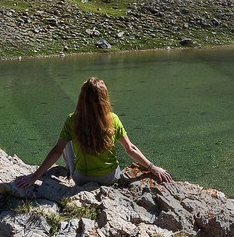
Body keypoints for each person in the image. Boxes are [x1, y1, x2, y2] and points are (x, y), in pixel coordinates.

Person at [14, 77, 172, 189]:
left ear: (82, 98)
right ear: (104, 98)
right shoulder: (112, 119)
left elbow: (57, 151)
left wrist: (34, 177)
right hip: (110, 177)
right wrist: (153, 167)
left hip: (81, 179)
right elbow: (130, 149)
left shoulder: (72, 119)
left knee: (65, 142)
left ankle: (69, 170)